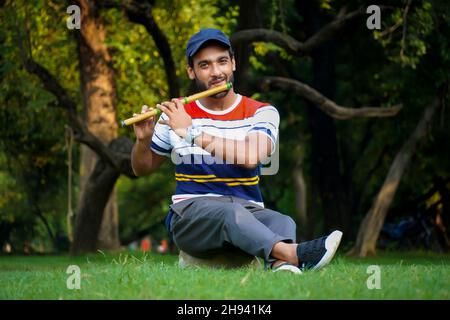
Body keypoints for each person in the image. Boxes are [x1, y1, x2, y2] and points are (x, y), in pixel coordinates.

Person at [131, 28, 342, 274]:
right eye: (205, 65)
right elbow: (141, 169)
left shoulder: (261, 112)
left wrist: (191, 133)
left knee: (282, 221)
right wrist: (142, 141)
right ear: (192, 71)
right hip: (190, 217)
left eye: (222, 61)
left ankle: (282, 266)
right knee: (230, 213)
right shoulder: (176, 115)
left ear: (233, 63)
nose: (216, 72)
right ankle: (296, 254)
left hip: (246, 212)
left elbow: (251, 156)